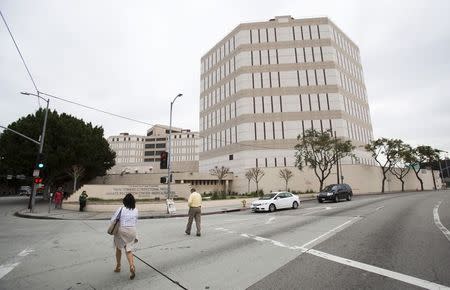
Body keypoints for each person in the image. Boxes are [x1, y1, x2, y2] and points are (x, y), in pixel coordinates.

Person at [111, 193, 138, 280]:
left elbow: (113, 220)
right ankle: (132, 266)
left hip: (122, 231)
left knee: (119, 248)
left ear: (124, 201)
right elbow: (135, 221)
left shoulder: (121, 209)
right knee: (128, 250)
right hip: (132, 231)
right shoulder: (136, 210)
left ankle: (118, 266)